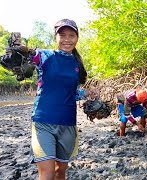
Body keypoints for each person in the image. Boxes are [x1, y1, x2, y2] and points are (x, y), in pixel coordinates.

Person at [17, 19, 98, 180]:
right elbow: (32, 54)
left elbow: (72, 94)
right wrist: (22, 49)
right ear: (56, 37)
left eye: (71, 35)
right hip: (43, 122)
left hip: (67, 124)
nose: (67, 39)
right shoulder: (46, 56)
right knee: (46, 175)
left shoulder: (76, 64)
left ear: (77, 38)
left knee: (59, 171)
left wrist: (86, 93)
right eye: (62, 35)